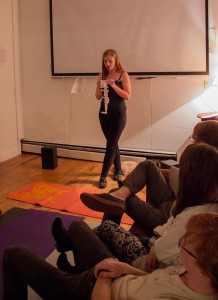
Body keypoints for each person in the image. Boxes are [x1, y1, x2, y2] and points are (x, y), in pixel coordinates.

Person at [63, 143, 218, 273]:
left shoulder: (194, 217)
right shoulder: (201, 202)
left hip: (153, 263)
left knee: (106, 227)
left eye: (183, 170)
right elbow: (171, 228)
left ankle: (73, 246)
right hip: (159, 240)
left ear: (193, 178)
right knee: (148, 166)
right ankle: (75, 247)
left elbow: (165, 248)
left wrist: (155, 248)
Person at [3, 213, 218, 299]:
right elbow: (151, 279)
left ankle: (71, 280)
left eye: (185, 246)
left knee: (13, 255)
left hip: (95, 289)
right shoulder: (189, 271)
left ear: (204, 268)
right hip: (114, 274)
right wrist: (123, 269)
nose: (180, 246)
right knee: (78, 226)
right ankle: (73, 267)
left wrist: (104, 277)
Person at [80, 120, 218, 235]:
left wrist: (178, 175)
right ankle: (119, 195)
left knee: (114, 198)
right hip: (172, 201)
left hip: (167, 218)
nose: (191, 141)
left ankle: (103, 236)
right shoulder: (205, 163)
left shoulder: (206, 176)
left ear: (203, 143)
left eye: (193, 138)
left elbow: (184, 207)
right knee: (149, 165)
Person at [95, 49, 131, 188]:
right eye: (105, 61)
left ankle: (103, 176)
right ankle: (118, 169)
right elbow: (98, 96)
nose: (108, 64)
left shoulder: (123, 74)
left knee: (110, 145)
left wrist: (114, 85)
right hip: (103, 114)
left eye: (110, 61)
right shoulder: (101, 75)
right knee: (112, 143)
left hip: (118, 114)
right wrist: (99, 87)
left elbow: (127, 96)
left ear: (116, 61)